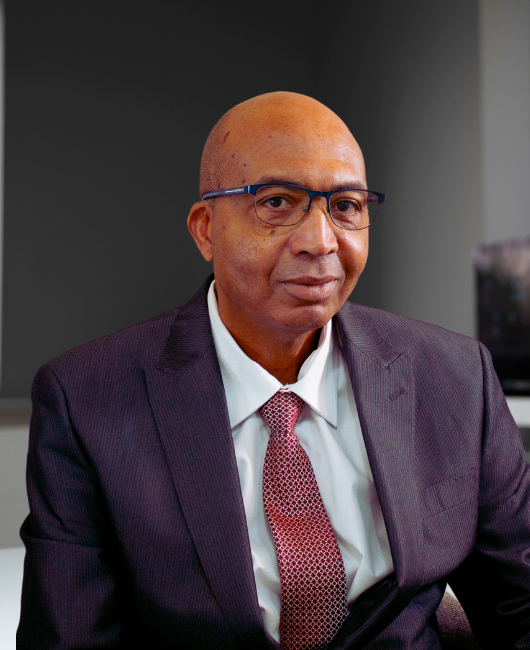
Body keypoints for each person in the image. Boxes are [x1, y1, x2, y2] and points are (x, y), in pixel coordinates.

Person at [17, 92, 530, 650]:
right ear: (206, 228)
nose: (320, 242)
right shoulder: (87, 400)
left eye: (346, 206)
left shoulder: (454, 379)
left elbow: (519, 605)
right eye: (278, 202)